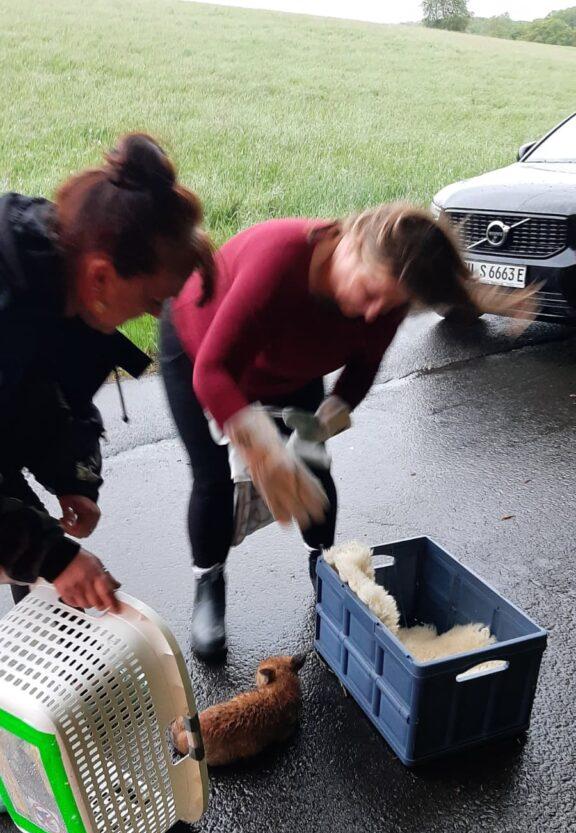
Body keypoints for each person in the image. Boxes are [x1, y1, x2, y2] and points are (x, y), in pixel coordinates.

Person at [160, 203, 536, 659]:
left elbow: (361, 369)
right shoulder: (278, 260)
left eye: (391, 305)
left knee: (313, 470)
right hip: (200, 351)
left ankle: (329, 568)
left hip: (286, 366)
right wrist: (261, 446)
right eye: (369, 292)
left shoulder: (388, 293)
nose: (375, 312)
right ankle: (209, 580)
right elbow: (212, 371)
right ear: (350, 244)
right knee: (213, 478)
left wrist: (324, 422)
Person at [0, 133, 214, 613]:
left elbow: (48, 394)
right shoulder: (10, 302)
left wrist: (72, 475)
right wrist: (52, 556)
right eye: (148, 303)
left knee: (47, 564)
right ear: (101, 276)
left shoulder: (65, 275)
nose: (148, 317)